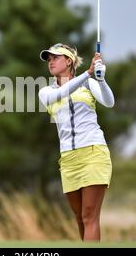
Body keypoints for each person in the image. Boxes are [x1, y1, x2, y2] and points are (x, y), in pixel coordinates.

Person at [38, 43, 115, 242]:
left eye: (55, 57)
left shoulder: (89, 84)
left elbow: (109, 101)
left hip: (93, 153)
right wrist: (88, 73)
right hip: (68, 160)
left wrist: (101, 80)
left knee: (89, 216)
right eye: (49, 59)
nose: (51, 62)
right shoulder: (46, 92)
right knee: (80, 220)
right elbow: (61, 93)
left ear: (69, 61)